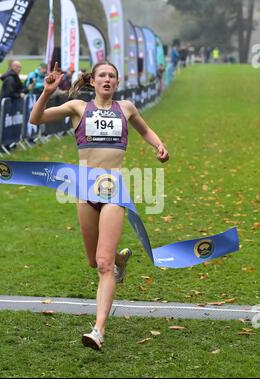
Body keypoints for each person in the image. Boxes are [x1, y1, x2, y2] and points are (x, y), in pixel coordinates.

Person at [29, 61, 169, 350]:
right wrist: (47, 92)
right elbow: (36, 118)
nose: (107, 79)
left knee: (102, 266)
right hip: (84, 191)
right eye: (102, 75)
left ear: (117, 82)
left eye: (112, 76)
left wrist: (159, 146)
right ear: (92, 81)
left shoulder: (126, 108)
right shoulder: (78, 107)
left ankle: (99, 329)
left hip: (114, 192)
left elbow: (145, 131)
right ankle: (119, 258)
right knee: (95, 260)